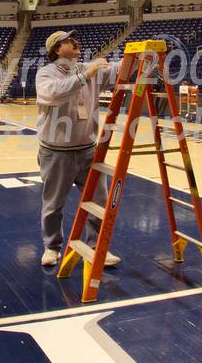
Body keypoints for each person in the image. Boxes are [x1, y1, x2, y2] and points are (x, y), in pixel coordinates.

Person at [36, 30, 122, 267]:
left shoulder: (88, 68)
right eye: (68, 41)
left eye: (75, 40)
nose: (75, 43)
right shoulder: (45, 74)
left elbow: (118, 69)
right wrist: (87, 74)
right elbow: (54, 94)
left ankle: (98, 248)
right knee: (54, 204)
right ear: (56, 49)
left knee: (98, 202)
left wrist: (140, 55)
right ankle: (51, 247)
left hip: (88, 150)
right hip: (56, 152)